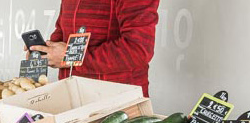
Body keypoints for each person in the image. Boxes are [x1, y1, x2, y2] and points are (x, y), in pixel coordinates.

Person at [28, 0, 160, 97]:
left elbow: (138, 50)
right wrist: (47, 51)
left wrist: (70, 56)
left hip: (117, 104)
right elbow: (63, 30)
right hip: (73, 97)